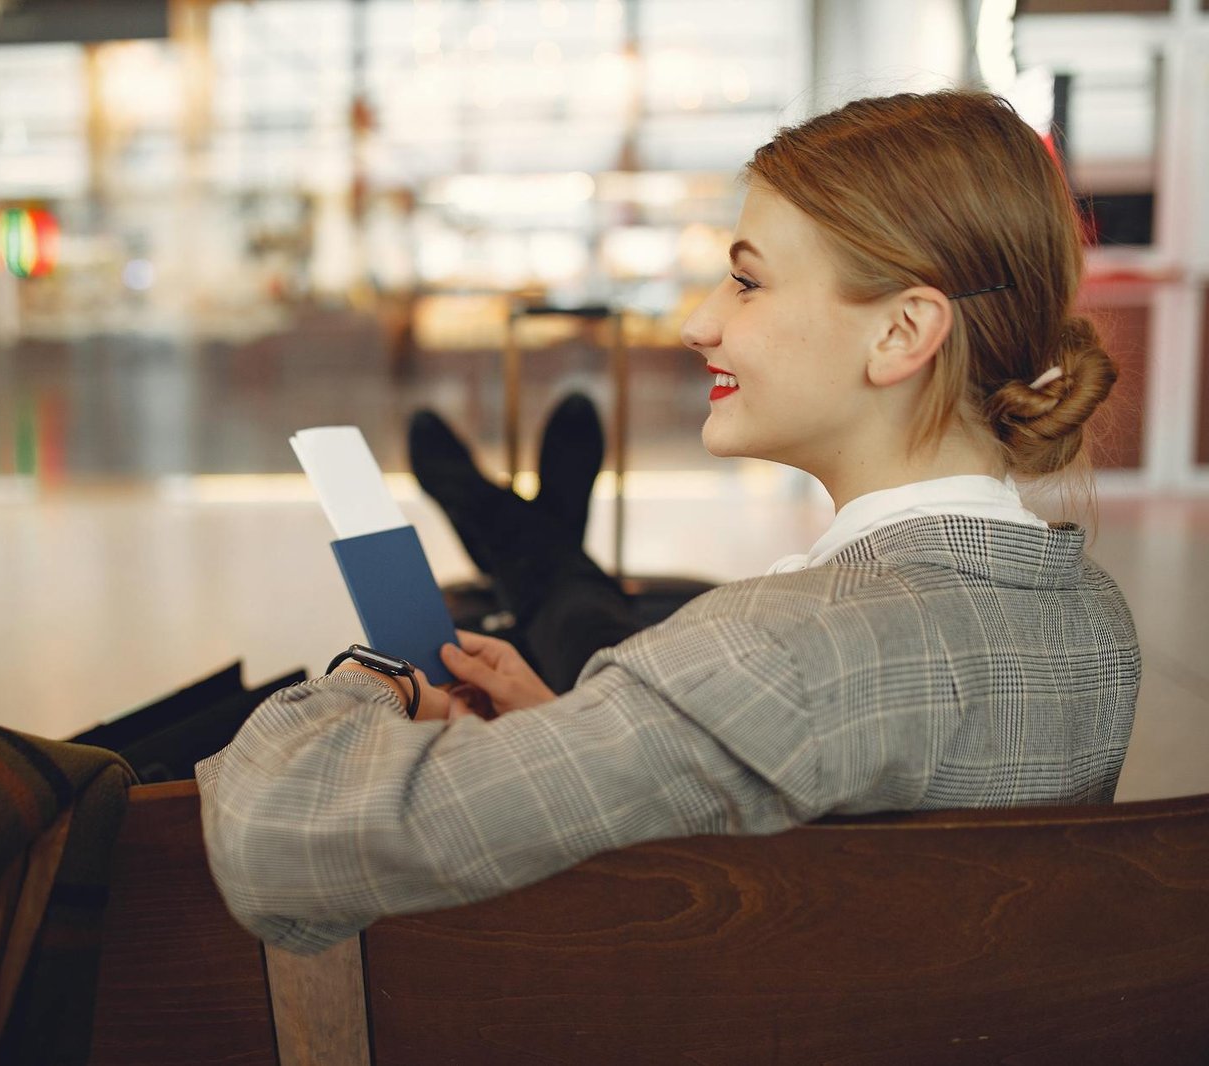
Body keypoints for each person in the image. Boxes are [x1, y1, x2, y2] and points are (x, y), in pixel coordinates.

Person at [195, 90, 1139, 956]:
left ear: (901, 334)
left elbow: (275, 840)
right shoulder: (1097, 626)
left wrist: (378, 683)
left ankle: (522, 532)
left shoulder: (773, 652)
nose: (698, 323)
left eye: (748, 282)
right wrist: (581, 735)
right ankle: (534, 535)